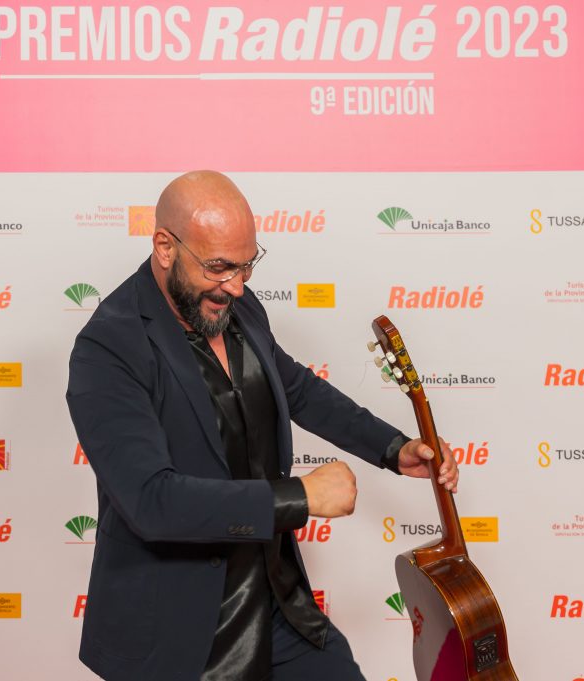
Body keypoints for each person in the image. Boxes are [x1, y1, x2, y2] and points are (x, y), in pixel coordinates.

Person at [66, 170, 459, 681]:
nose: (235, 286)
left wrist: (393, 447)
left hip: (275, 602)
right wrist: (301, 497)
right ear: (165, 246)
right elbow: (151, 502)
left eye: (246, 265)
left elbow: (294, 387)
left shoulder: (235, 303)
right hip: (179, 632)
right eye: (218, 267)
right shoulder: (108, 348)